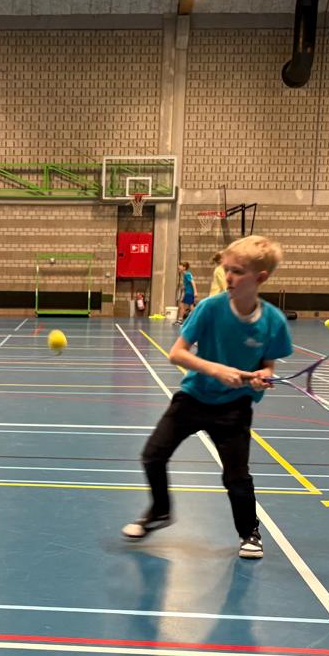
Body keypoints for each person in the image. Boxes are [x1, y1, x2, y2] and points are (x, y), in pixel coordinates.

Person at [123, 235, 293, 560]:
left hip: (235, 408)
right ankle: (160, 511)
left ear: (260, 278)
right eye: (227, 269)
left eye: (238, 271)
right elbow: (177, 353)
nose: (228, 277)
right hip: (194, 397)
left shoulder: (273, 321)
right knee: (153, 455)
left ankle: (249, 532)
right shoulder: (210, 309)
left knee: (236, 476)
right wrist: (216, 370)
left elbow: (268, 366)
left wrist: (262, 378)